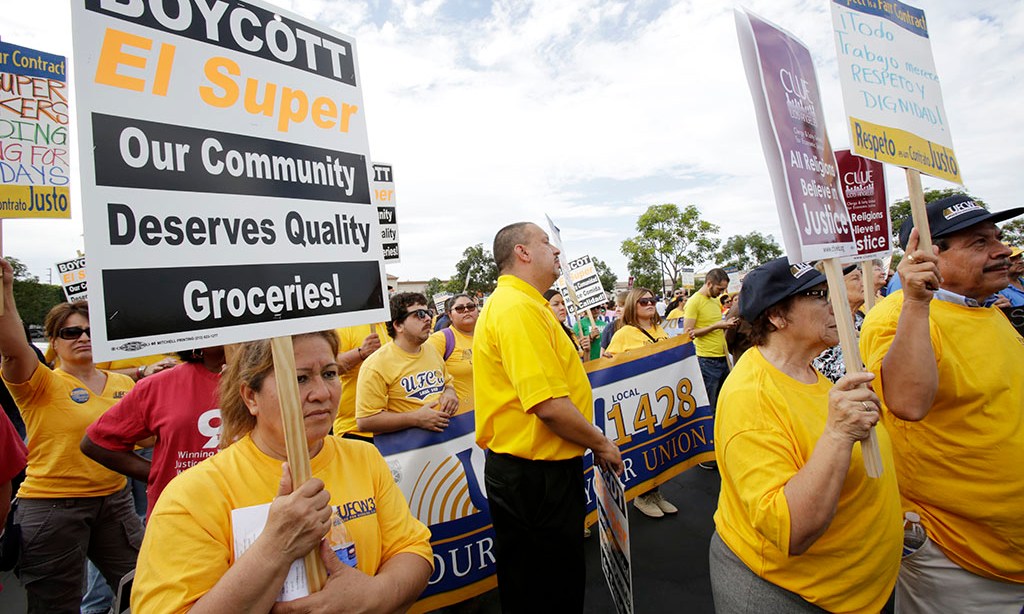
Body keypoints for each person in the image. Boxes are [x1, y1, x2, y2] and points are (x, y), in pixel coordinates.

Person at [131, 331, 433, 612]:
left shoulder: (363, 457)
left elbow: (412, 550)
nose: (321, 393)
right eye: (299, 378)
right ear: (251, 397)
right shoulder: (192, 496)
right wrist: (275, 547)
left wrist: (373, 596)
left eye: (329, 374)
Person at [860, 195, 1024, 611]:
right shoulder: (898, 317)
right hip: (959, 554)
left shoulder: (988, 311)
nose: (1002, 250)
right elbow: (907, 403)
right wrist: (917, 302)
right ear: (929, 256)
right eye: (980, 243)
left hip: (1010, 543)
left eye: (997, 238)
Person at [710, 257, 901, 613]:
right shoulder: (750, 396)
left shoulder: (807, 371)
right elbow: (792, 528)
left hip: (861, 591)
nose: (836, 303)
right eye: (820, 295)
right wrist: (839, 433)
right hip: (798, 596)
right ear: (776, 316)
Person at [475, 222, 623, 613]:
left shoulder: (525, 305)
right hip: (535, 478)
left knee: (537, 582)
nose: (556, 250)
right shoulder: (517, 309)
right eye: (545, 242)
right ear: (522, 252)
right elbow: (549, 406)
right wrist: (601, 444)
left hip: (536, 473)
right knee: (549, 588)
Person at [0, 259, 143, 612]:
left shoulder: (124, 384)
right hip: (53, 506)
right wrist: (5, 289)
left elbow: (144, 439)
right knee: (56, 605)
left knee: (144, 585)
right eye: (71, 332)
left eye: (91, 331)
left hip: (115, 503)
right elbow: (13, 348)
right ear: (53, 341)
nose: (83, 338)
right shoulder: (41, 383)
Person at [81, 346, 226, 520]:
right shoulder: (160, 384)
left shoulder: (255, 382)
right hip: (181, 513)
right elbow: (96, 443)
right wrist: (161, 474)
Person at [605, 288, 677, 519]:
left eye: (652, 300)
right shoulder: (623, 334)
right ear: (632, 306)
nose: (650, 304)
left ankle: (655, 492)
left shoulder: (659, 329)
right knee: (645, 447)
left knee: (661, 446)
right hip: (639, 403)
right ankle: (642, 496)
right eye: (643, 301)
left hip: (662, 399)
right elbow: (610, 368)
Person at [356, 292, 458, 435]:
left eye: (428, 313)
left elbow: (447, 383)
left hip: (443, 442)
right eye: (420, 314)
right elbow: (365, 421)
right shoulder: (375, 365)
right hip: (406, 446)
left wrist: (450, 393)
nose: (428, 318)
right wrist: (416, 419)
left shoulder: (432, 350)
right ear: (398, 325)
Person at [683, 268, 737, 469]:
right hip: (706, 361)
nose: (722, 293)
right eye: (720, 289)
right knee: (710, 409)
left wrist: (725, 324)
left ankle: (719, 447)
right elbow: (688, 333)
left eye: (724, 289)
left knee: (723, 406)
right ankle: (707, 454)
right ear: (709, 283)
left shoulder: (715, 301)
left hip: (722, 359)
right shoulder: (694, 302)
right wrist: (717, 326)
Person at [332, 322, 390, 442]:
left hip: (393, 427)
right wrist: (361, 353)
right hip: (354, 430)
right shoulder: (345, 326)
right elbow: (329, 368)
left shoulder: (395, 325)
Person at [812, 266, 866, 383]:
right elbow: (828, 374)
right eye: (856, 278)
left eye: (862, 276)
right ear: (833, 286)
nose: (864, 283)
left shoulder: (861, 319)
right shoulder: (823, 328)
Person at [426, 293, 478, 412]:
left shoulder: (487, 335)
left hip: (489, 412)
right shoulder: (441, 339)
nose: (466, 310)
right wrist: (447, 389)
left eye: (470, 307)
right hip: (458, 417)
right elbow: (421, 370)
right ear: (450, 315)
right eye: (459, 308)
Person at [543, 289, 591, 362]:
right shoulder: (545, 335)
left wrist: (587, 351)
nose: (562, 308)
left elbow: (582, 365)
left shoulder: (570, 333)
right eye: (556, 304)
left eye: (563, 303)